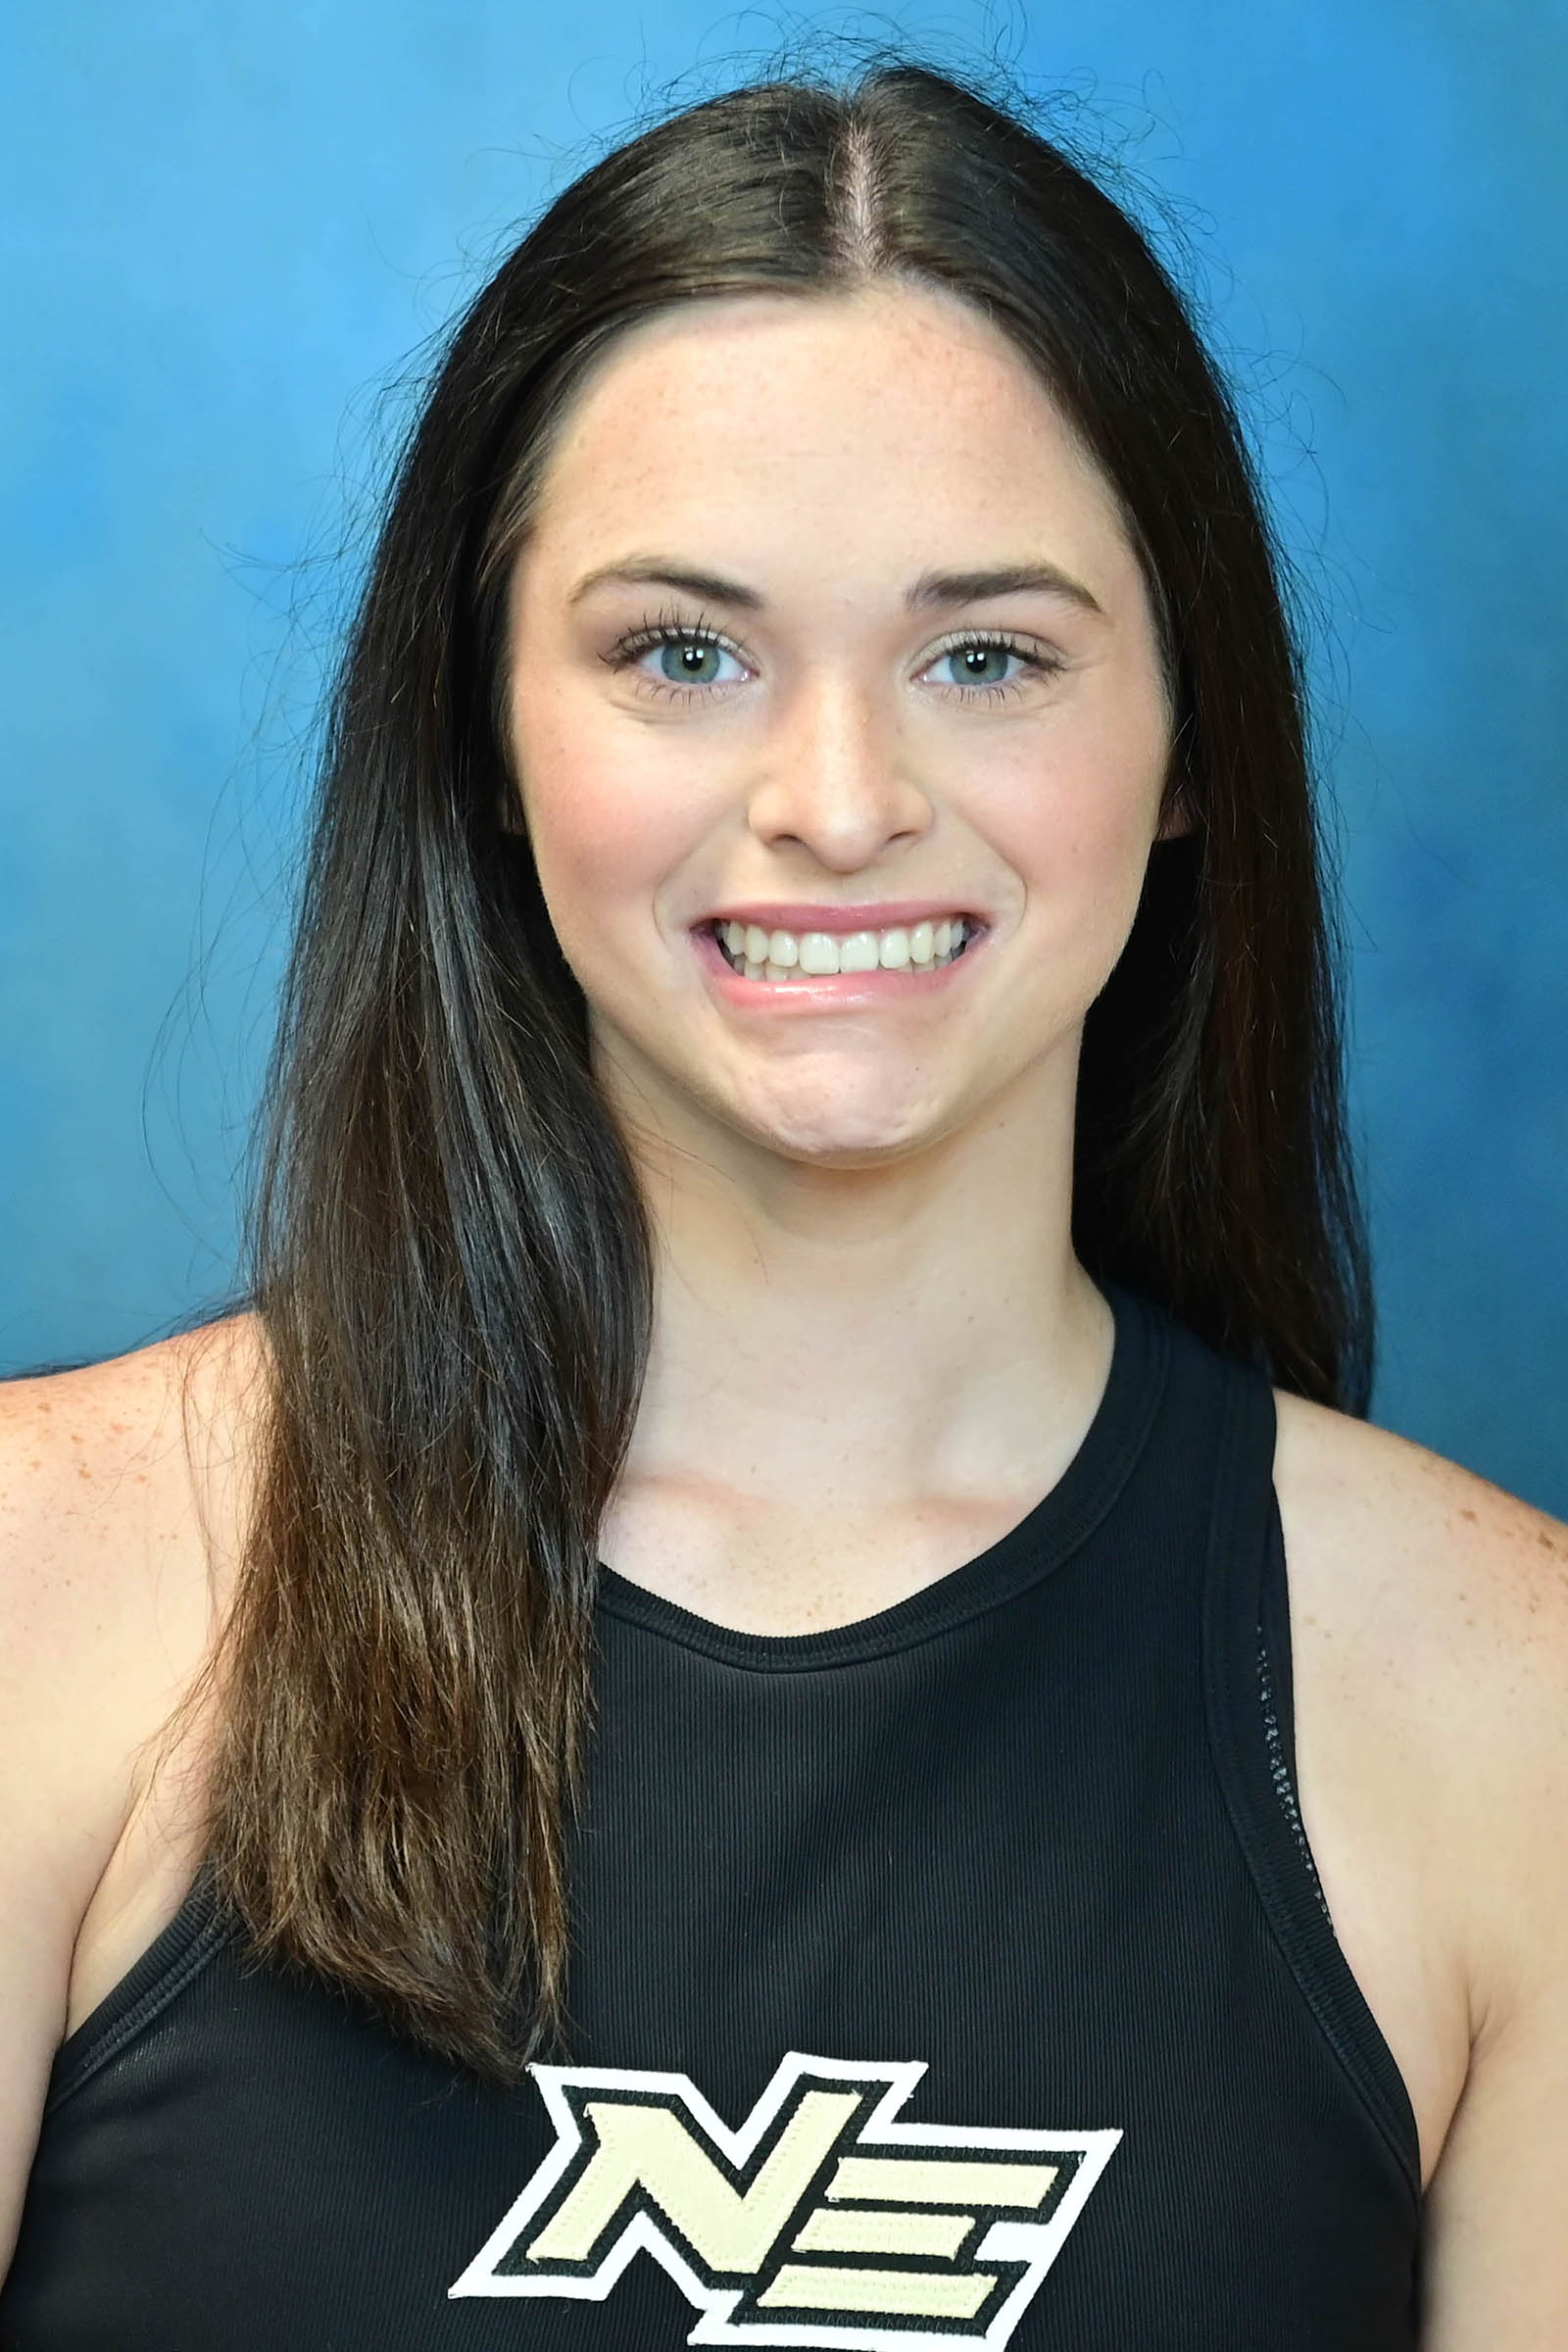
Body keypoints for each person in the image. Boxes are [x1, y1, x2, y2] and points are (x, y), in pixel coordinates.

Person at [1, 51, 1563, 2352]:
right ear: (485, 737)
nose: (836, 802)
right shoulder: (46, 1583)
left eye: (984, 657)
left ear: (1188, 743)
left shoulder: (1510, 1711)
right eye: (683, 654)